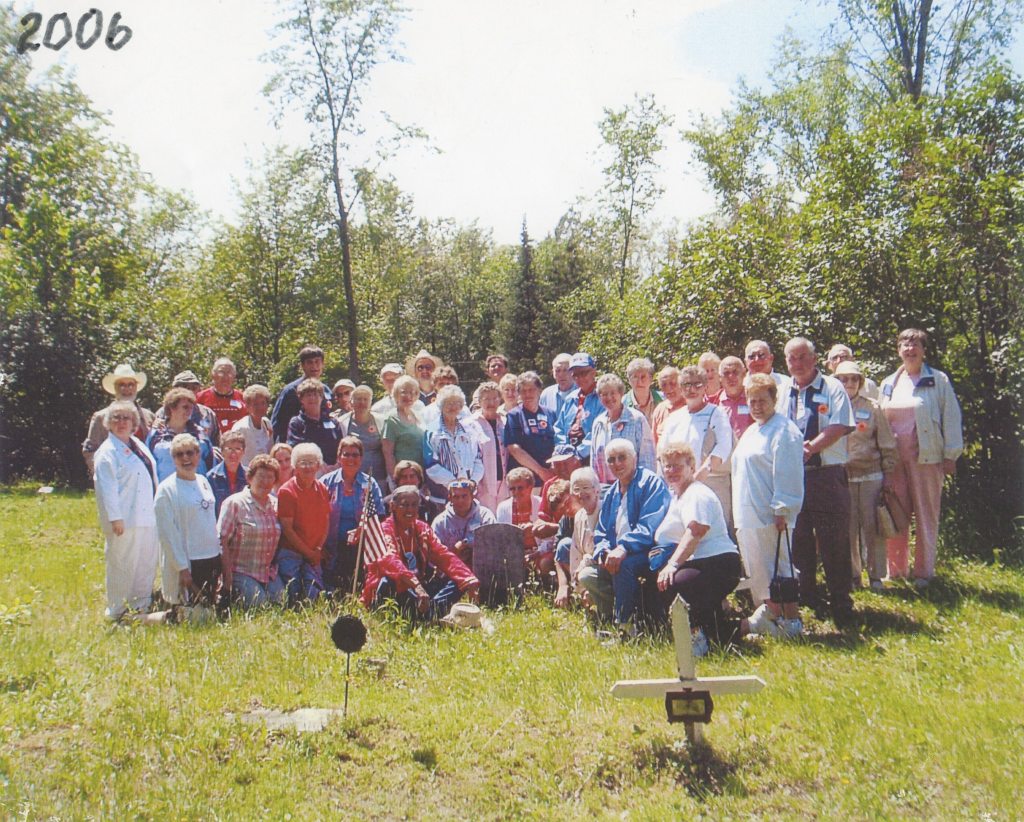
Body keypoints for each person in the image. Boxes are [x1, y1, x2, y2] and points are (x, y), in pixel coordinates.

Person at [778, 336, 856, 623]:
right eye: (791, 358)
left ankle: (841, 602)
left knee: (834, 540)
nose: (797, 363)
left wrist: (811, 448)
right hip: (793, 476)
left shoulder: (832, 387)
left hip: (826, 474)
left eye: (802, 357)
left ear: (814, 359)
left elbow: (840, 424)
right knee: (798, 540)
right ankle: (807, 599)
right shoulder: (783, 389)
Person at [879, 328, 963, 587]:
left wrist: (951, 455)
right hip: (894, 460)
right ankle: (895, 570)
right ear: (898, 350)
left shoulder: (938, 380)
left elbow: (951, 418)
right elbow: (879, 420)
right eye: (904, 344)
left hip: (927, 458)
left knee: (926, 514)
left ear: (924, 350)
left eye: (915, 344)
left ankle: (924, 573)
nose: (909, 349)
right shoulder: (889, 382)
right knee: (896, 512)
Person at [731, 373, 806, 638]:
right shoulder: (753, 430)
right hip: (748, 513)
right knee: (759, 570)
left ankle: (792, 622)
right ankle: (770, 615)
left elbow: (788, 474)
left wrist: (783, 510)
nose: (756, 406)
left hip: (772, 514)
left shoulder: (784, 431)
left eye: (762, 400)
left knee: (781, 568)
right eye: (752, 400)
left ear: (774, 399)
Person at [653, 442, 743, 656]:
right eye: (667, 466)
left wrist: (672, 565)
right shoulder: (678, 496)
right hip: (701, 562)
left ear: (691, 466)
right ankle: (744, 628)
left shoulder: (696, 494)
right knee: (715, 630)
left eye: (677, 466)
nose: (671, 471)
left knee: (675, 583)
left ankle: (695, 641)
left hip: (719, 562)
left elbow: (696, 530)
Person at [577, 439, 671, 630]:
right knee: (588, 575)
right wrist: (603, 552)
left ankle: (625, 627)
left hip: (650, 552)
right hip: (618, 554)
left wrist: (623, 548)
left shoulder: (650, 482)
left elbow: (649, 526)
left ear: (634, 458)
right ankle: (609, 618)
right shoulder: (612, 492)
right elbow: (601, 531)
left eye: (622, 458)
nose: (616, 464)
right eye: (611, 460)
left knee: (623, 565)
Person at [363, 485, 480, 618]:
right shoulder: (384, 530)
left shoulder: (422, 528)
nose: (410, 510)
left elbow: (443, 555)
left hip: (419, 589)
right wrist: (416, 585)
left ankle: (428, 613)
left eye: (414, 505)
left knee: (458, 580)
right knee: (387, 581)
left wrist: (469, 579)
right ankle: (425, 615)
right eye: (404, 505)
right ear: (392, 507)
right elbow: (391, 561)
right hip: (399, 589)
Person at [92, 400, 159, 620]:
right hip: (124, 519)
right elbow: (106, 488)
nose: (121, 422)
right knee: (122, 563)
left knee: (145, 561)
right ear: (108, 423)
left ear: (134, 422)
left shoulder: (138, 445)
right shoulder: (107, 452)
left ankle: (141, 606)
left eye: (126, 418)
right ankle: (117, 611)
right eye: (116, 418)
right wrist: (115, 518)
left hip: (147, 516)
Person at [835, 361, 898, 589]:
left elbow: (887, 443)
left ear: (860, 382)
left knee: (873, 526)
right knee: (848, 528)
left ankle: (876, 575)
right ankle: (853, 574)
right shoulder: (830, 406)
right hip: (843, 476)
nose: (849, 383)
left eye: (854, 379)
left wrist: (888, 472)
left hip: (871, 474)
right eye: (843, 379)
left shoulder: (872, 407)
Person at [154, 433, 223, 608]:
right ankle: (138, 619)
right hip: (189, 562)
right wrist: (182, 569)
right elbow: (167, 533)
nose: (185, 458)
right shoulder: (166, 490)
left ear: (198, 455)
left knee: (210, 613)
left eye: (190, 453)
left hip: (210, 556)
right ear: (173, 458)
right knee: (190, 616)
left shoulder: (203, 481)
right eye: (179, 454)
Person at [661, 366, 734, 526]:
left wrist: (698, 477)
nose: (692, 389)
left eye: (697, 384)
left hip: (712, 485)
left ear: (706, 387)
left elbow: (723, 447)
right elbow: (662, 453)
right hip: (678, 489)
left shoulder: (717, 413)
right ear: (680, 388)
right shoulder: (674, 418)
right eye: (686, 385)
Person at [217, 454, 286, 607]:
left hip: (267, 572)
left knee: (282, 603)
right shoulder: (234, 503)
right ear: (250, 478)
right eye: (261, 476)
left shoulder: (276, 505)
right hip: (240, 571)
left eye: (270, 477)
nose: (265, 482)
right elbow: (221, 542)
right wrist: (227, 581)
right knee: (259, 606)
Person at [321, 436, 385, 592]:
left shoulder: (369, 484)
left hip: (359, 548)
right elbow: (315, 517)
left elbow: (379, 516)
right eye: (346, 454)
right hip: (329, 546)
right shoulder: (326, 483)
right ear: (339, 457)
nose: (351, 458)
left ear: (361, 458)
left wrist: (362, 529)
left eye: (355, 455)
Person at [276, 442, 330, 603]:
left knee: (314, 596)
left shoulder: (322, 489)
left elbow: (326, 521)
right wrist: (308, 553)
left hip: (315, 551)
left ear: (318, 465)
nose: (307, 467)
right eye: (303, 462)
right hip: (291, 552)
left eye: (311, 462)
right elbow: (287, 529)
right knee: (293, 595)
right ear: (295, 466)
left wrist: (318, 549)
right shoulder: (287, 491)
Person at [83, 364, 155, 475]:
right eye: (122, 385)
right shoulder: (100, 417)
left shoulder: (149, 416)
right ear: (115, 388)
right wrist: (103, 474)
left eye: (131, 384)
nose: (127, 389)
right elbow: (90, 451)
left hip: (145, 478)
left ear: (136, 387)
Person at [590, 373, 656, 485]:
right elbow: (594, 461)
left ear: (621, 394)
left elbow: (647, 458)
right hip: (605, 489)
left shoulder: (636, 419)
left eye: (613, 393)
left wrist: (644, 487)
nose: (609, 398)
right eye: (604, 394)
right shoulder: (598, 423)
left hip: (634, 486)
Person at [424, 385, 485, 503]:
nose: (452, 407)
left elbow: (478, 459)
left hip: (469, 492)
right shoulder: (431, 431)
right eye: (448, 403)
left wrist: (472, 481)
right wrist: (454, 483)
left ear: (461, 406)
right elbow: (430, 465)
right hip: (443, 495)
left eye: (456, 403)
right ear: (441, 406)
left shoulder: (470, 429)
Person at [554, 466, 601, 609]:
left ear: (596, 490)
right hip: (585, 568)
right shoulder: (579, 515)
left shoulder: (604, 511)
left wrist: (583, 570)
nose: (581, 493)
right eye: (576, 489)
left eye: (586, 487)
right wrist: (580, 587)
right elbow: (576, 550)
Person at [147, 388, 214, 482]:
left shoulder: (200, 434)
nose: (189, 411)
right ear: (172, 408)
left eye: (191, 407)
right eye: (185, 407)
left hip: (195, 489)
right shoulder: (156, 434)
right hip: (167, 491)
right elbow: (148, 464)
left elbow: (210, 463)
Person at [503, 371, 558, 486]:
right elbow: (514, 448)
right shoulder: (514, 415)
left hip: (551, 475)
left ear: (539, 390)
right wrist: (540, 471)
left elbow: (558, 441)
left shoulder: (550, 413)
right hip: (525, 479)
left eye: (531, 389)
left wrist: (553, 466)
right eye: (523, 391)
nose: (527, 394)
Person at [271, 346, 331, 443]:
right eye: (310, 362)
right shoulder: (290, 391)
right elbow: (277, 424)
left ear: (323, 364)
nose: (314, 366)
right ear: (302, 365)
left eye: (317, 361)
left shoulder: (327, 391)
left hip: (323, 445)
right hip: (296, 444)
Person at [431, 479, 497, 565]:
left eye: (464, 496)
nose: (460, 501)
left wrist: (468, 544)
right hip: (452, 569)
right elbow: (433, 555)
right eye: (456, 497)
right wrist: (454, 553)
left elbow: (494, 545)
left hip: (482, 567)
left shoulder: (485, 516)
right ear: (450, 498)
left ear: (473, 496)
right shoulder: (440, 522)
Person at [555, 352, 603, 464]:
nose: (579, 378)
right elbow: (559, 428)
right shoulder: (571, 398)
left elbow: (599, 432)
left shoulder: (602, 397)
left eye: (584, 373)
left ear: (593, 372)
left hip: (592, 456)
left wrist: (578, 454)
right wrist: (562, 450)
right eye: (575, 375)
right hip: (569, 456)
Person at [336, 385, 388, 487]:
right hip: (351, 476)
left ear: (370, 402)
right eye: (358, 399)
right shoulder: (342, 422)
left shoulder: (382, 421)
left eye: (366, 399)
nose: (362, 402)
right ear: (351, 402)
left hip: (378, 475)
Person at [287, 377, 342, 474]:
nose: (312, 398)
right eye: (308, 395)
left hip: (335, 471)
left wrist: (337, 465)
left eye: (316, 394)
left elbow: (341, 447)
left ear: (321, 398)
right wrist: (321, 465)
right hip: (310, 472)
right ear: (301, 399)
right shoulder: (296, 423)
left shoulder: (333, 422)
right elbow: (295, 449)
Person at [471, 380, 509, 513]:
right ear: (479, 401)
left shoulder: (505, 421)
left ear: (500, 400)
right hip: (483, 483)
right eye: (486, 399)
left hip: (504, 482)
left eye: (494, 398)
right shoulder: (471, 424)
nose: (490, 403)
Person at [154, 371, 220, 445]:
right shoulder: (163, 413)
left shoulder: (207, 414)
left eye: (194, 388)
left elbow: (216, 441)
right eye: (184, 387)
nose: (189, 391)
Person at [381, 374, 427, 482]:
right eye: (404, 392)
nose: (408, 396)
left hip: (420, 477)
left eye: (412, 392)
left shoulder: (418, 415)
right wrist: (395, 481)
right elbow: (388, 454)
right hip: (403, 478)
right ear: (396, 394)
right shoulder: (391, 419)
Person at [195, 357, 246, 437]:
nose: (225, 377)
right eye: (221, 372)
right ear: (213, 375)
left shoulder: (243, 398)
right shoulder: (200, 398)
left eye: (229, 372)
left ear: (234, 376)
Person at [206, 429, 247, 517]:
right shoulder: (211, 477)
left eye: (238, 449)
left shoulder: (249, 476)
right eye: (229, 449)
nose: (233, 453)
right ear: (222, 451)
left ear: (244, 452)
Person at [232, 384, 274, 467]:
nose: (260, 407)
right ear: (247, 406)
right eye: (255, 404)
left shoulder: (267, 423)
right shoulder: (241, 428)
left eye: (263, 403)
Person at [388, 459, 442, 524]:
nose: (408, 480)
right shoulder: (387, 504)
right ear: (398, 480)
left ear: (419, 479)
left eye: (412, 476)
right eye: (404, 477)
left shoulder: (430, 506)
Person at [715, 356, 754, 442]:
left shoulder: (754, 398)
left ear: (744, 374)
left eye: (735, 372)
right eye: (726, 373)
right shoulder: (713, 402)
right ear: (720, 377)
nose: (731, 376)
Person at [650, 366, 685, 449]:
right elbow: (654, 443)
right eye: (664, 385)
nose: (668, 388)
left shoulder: (690, 407)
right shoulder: (659, 410)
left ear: (681, 384)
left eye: (673, 383)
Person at [623, 358, 663, 427]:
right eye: (635, 377)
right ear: (629, 380)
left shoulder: (663, 400)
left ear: (651, 379)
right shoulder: (622, 404)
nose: (639, 382)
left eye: (643, 377)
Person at [539, 353, 574, 417]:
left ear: (573, 372)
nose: (561, 375)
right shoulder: (546, 394)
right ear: (553, 373)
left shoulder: (581, 392)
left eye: (565, 370)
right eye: (557, 371)